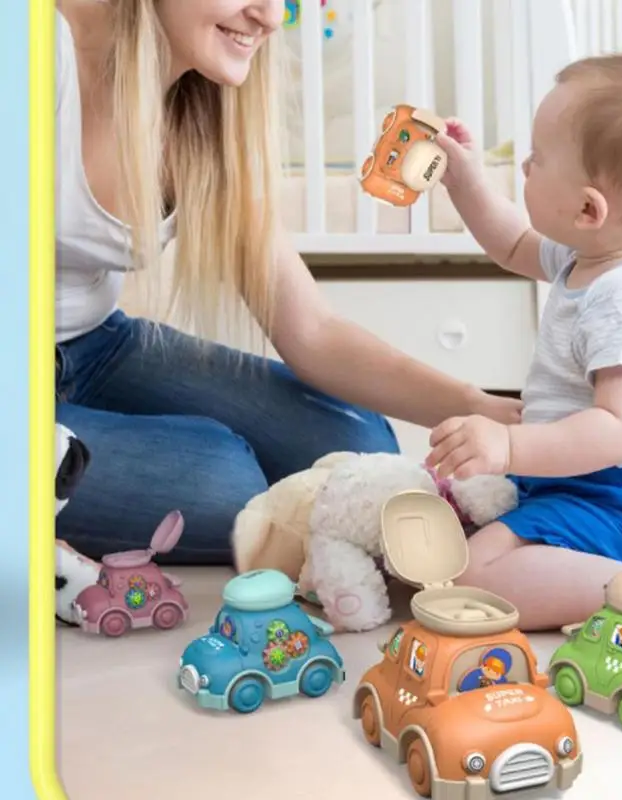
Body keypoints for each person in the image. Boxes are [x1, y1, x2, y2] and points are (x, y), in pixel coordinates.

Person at [55, 0, 521, 564]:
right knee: (225, 479)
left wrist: (484, 408)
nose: (271, 17)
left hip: (97, 345)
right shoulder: (43, 55)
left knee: (359, 445)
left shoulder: (204, 106)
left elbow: (312, 331)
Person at [426, 53, 622, 630]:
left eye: (537, 159)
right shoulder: (591, 254)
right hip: (583, 484)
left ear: (589, 208)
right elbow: (512, 244)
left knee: (469, 575)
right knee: (468, 542)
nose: (525, 167)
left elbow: (620, 429)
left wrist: (510, 445)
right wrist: (464, 181)